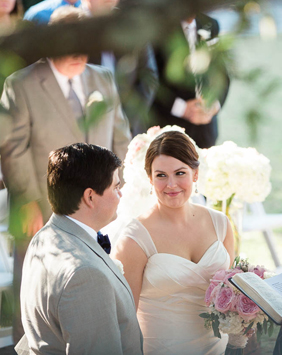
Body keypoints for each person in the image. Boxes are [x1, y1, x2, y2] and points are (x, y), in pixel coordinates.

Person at [0, 5, 131, 343]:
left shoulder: (102, 77)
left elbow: (120, 135)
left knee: (91, 287)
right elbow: (12, 147)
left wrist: (124, 188)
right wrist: (27, 200)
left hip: (98, 204)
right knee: (34, 287)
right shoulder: (21, 83)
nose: (77, 54)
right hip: (43, 205)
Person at [14, 142, 143, 355]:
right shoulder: (85, 275)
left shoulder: (44, 237)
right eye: (115, 187)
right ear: (90, 197)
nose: (120, 195)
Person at [113, 130, 235, 354]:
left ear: (195, 174)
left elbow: (232, 294)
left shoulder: (221, 224)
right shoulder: (134, 239)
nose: (171, 184)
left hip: (217, 348)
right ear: (149, 178)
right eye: (161, 175)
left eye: (180, 173)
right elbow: (123, 321)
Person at [152, 13, 230, 149]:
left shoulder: (210, 25)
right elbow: (149, 78)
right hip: (166, 130)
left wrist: (214, 104)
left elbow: (221, 73)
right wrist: (182, 109)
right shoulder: (157, 27)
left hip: (206, 131)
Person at [82, 0, 158, 137]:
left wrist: (127, 119)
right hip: (85, 131)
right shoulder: (71, 26)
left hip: (129, 129)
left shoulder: (132, 25)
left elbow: (149, 76)